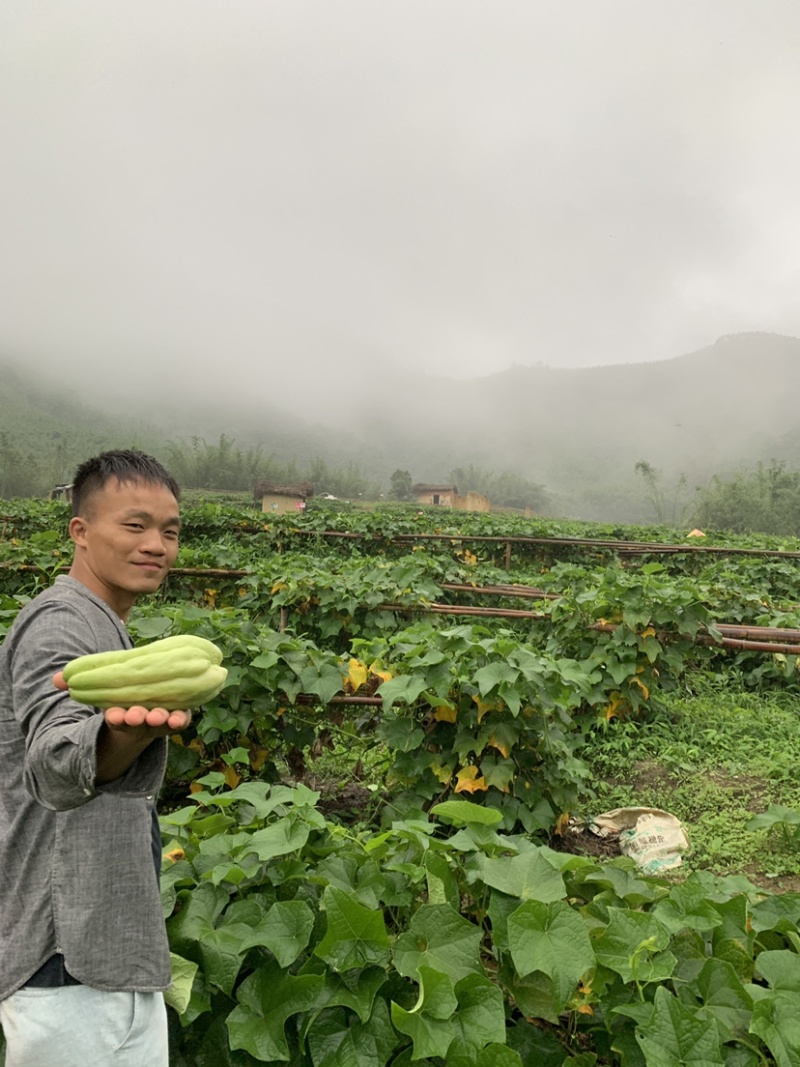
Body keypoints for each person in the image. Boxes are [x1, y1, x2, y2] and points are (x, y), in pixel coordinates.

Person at [0, 449, 191, 1067]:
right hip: (64, 961)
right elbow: (57, 755)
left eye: (169, 531)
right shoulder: (59, 624)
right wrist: (121, 740)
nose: (156, 544)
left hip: (115, 957)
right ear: (79, 531)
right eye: (134, 526)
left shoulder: (108, 628)